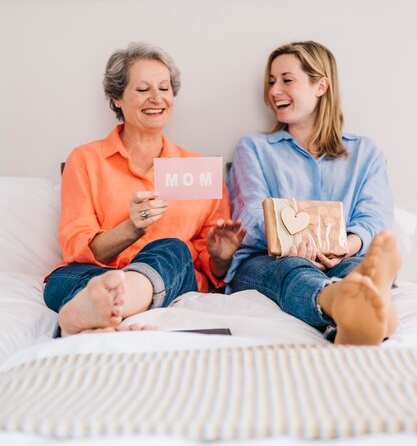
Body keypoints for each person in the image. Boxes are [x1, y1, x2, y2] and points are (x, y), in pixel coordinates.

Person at [44, 43, 246, 335]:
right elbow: (77, 246)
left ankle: (98, 311)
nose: (157, 98)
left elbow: (211, 271)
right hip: (92, 273)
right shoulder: (85, 160)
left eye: (164, 88)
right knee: (66, 280)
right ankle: (104, 315)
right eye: (143, 89)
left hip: (170, 274)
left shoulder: (201, 169)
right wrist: (132, 228)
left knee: (173, 248)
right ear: (116, 98)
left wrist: (221, 256)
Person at [225, 41, 402, 345]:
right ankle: (346, 304)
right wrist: (292, 243)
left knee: (356, 266)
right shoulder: (253, 148)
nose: (274, 91)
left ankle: (357, 309)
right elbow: (250, 215)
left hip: (342, 256)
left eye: (286, 80)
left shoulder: (365, 153)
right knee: (294, 269)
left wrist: (344, 246)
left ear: (321, 86)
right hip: (267, 259)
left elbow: (374, 216)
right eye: (271, 82)